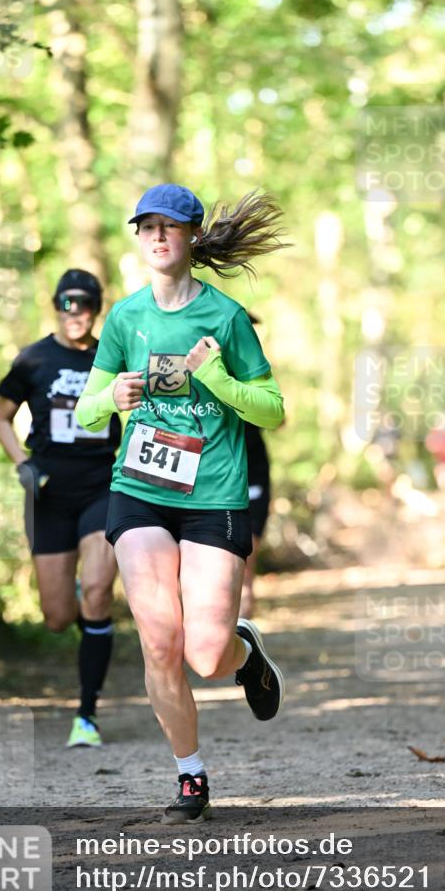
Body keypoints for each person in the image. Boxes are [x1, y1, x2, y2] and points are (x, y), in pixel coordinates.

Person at [75, 183, 287, 823]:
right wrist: (113, 399)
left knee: (205, 654)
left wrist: (218, 380)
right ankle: (190, 776)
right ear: (137, 237)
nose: (159, 236)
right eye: (148, 227)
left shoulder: (224, 317)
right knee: (160, 642)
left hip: (213, 494)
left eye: (171, 226)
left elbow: (273, 411)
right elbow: (85, 412)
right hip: (138, 489)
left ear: (193, 236)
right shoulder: (124, 318)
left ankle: (244, 655)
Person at [0, 269, 122, 748]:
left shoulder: (112, 355)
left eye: (86, 305)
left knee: (98, 592)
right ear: (56, 306)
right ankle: (70, 584)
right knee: (56, 617)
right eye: (68, 305)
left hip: (100, 486)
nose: (77, 314)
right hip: (46, 493)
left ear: (96, 308)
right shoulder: (34, 358)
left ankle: (86, 715)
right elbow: (1, 419)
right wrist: (21, 463)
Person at [240, 315, 272, 619]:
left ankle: (246, 640)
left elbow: (278, 417)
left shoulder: (258, 374)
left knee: (247, 561)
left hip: (254, 472)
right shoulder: (204, 370)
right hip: (214, 477)